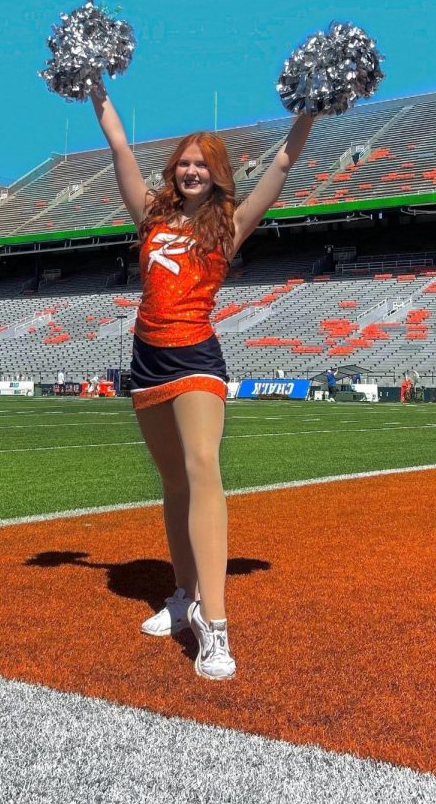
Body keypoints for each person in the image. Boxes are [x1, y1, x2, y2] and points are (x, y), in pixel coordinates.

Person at [90, 83, 315, 680]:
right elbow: (118, 146)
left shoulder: (232, 224)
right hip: (146, 357)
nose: (191, 171)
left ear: (217, 174)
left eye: (202, 164)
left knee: (202, 470)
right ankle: (181, 596)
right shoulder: (150, 216)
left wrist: (311, 111)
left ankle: (214, 627)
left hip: (196, 357)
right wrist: (96, 87)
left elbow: (284, 163)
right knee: (173, 484)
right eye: (184, 163)